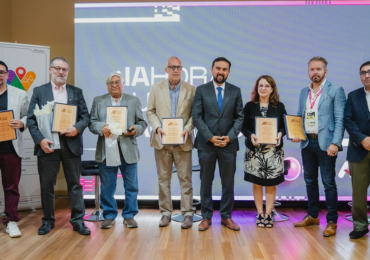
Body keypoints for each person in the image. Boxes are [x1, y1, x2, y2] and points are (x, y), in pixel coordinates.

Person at [27, 57, 91, 235]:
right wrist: (40, 140)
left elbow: (85, 117)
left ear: (67, 72)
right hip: (47, 145)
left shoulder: (76, 92)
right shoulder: (39, 91)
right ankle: (47, 221)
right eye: (57, 68)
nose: (61, 72)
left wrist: (77, 129)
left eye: (64, 69)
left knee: (75, 185)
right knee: (47, 184)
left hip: (71, 144)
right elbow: (31, 119)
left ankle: (78, 221)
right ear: (50, 69)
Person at [292, 56, 346, 237]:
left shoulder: (336, 90)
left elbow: (340, 119)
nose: (315, 72)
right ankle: (313, 216)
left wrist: (335, 143)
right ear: (308, 71)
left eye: (318, 69)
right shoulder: (303, 92)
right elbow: (300, 115)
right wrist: (296, 134)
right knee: (309, 181)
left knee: (329, 183)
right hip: (308, 142)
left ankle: (332, 221)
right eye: (312, 69)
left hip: (326, 144)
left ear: (325, 71)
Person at [89, 71, 147, 229]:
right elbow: (92, 122)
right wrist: (102, 127)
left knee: (131, 185)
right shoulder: (99, 101)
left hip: (128, 147)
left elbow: (142, 123)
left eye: (117, 82)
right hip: (106, 148)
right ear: (107, 86)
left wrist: (136, 129)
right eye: (110, 83)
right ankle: (109, 215)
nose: (114, 85)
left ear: (123, 84)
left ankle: (129, 215)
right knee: (107, 185)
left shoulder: (133, 100)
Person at [192, 57, 244, 231]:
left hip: (228, 145)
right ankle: (206, 217)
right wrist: (210, 137)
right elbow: (196, 117)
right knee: (205, 182)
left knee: (228, 184)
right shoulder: (201, 90)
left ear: (228, 72)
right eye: (218, 68)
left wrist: (229, 137)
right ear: (212, 69)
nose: (221, 72)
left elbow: (240, 117)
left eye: (225, 69)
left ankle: (226, 217)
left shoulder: (235, 91)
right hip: (206, 144)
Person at [146, 56, 196, 229]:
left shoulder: (191, 90)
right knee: (163, 180)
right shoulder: (156, 88)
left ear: (182, 69)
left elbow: (194, 115)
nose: (176, 70)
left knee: (186, 180)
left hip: (183, 141)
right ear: (166, 69)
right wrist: (157, 127)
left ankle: (188, 213)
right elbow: (150, 112)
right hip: (162, 142)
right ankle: (165, 213)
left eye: (179, 67)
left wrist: (188, 129)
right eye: (172, 67)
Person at [242, 75, 287, 228]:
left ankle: (268, 214)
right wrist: (251, 135)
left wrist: (280, 134)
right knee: (256, 183)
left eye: (267, 86)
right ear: (256, 88)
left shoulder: (279, 106)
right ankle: (260, 213)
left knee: (271, 184)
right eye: (260, 85)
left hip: (273, 152)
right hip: (255, 152)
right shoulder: (249, 106)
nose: (263, 88)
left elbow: (284, 126)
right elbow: (244, 127)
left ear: (272, 89)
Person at [0, 61, 29, 238]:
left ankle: (12, 221)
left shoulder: (19, 94)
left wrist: (22, 122)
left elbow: (27, 115)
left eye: (2, 72)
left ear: (7, 74)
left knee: (11, 186)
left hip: (11, 148)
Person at [344, 61, 370, 239]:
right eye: (363, 73)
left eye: (369, 72)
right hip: (359, 150)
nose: (367, 75)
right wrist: (363, 139)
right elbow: (348, 120)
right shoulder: (353, 96)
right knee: (358, 192)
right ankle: (360, 226)